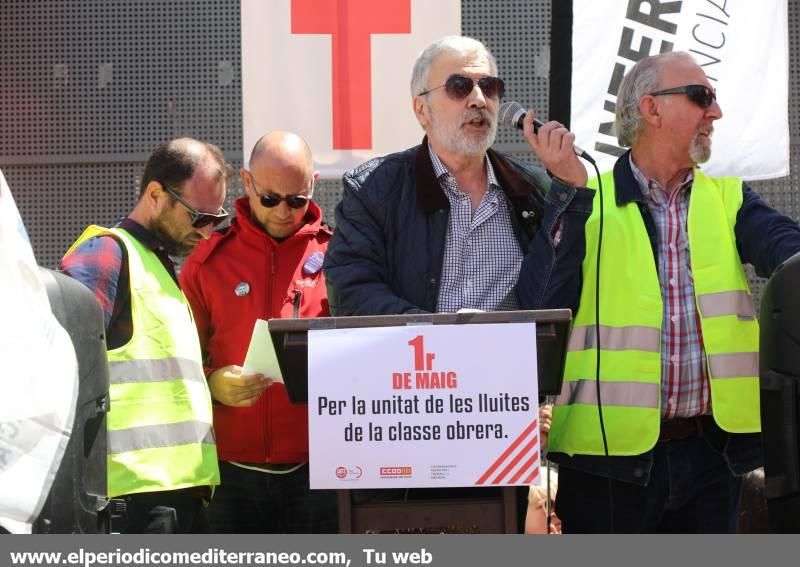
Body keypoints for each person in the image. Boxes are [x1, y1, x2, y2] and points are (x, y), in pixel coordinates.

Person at [517, 51, 800, 533]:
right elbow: (540, 304)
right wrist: (567, 193)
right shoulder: (588, 199)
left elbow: (788, 253)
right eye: (701, 97)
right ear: (651, 110)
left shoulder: (729, 197)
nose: (715, 112)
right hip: (607, 465)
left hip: (714, 456)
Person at [323, 35, 590, 532]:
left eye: (489, 86)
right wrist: (450, 347)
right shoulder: (375, 187)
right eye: (459, 85)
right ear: (421, 111)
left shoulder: (532, 190)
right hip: (406, 420)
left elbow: (552, 304)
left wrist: (567, 193)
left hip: (500, 425)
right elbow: (352, 289)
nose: (478, 99)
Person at [60, 138, 230, 533]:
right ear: (156, 193)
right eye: (198, 217)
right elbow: (58, 363)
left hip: (174, 497)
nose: (207, 233)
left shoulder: (156, 269)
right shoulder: (106, 253)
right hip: (133, 504)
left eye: (216, 219)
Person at [178, 131, 337, 533]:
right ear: (247, 183)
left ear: (313, 186)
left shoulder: (337, 258)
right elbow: (177, 359)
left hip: (317, 471)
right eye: (269, 199)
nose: (284, 211)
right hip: (230, 472)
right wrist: (212, 381)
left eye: (297, 200)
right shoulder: (208, 259)